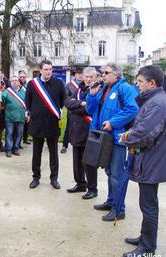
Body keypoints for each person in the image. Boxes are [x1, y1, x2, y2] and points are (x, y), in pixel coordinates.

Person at [120, 65, 166, 257]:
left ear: (152, 83)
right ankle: (145, 238)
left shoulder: (158, 103)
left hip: (152, 159)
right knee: (146, 203)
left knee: (148, 205)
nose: (136, 85)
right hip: (149, 159)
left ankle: (147, 248)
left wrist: (125, 138)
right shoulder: (154, 100)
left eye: (140, 81)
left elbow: (146, 133)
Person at [86, 63, 138, 222]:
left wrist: (113, 123)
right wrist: (92, 95)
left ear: (117, 74)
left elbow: (132, 109)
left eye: (106, 73)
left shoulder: (125, 88)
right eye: (103, 73)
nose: (103, 75)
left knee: (116, 174)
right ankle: (111, 201)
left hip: (116, 138)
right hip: (103, 137)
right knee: (109, 172)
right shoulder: (103, 89)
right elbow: (90, 110)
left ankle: (119, 209)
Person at [26, 60, 66, 190]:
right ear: (40, 70)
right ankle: (35, 177)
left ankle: (54, 178)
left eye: (50, 69)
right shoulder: (32, 84)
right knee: (36, 153)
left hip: (52, 123)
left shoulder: (59, 83)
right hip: (37, 123)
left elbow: (62, 102)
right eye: (46, 69)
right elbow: (28, 102)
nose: (49, 71)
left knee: (53, 153)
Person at [64, 67, 98, 199]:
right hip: (76, 130)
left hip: (88, 130)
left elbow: (91, 109)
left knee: (89, 162)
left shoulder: (97, 90)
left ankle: (92, 188)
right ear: (83, 77)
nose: (89, 79)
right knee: (77, 161)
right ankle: (80, 183)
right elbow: (67, 102)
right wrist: (82, 103)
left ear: (95, 77)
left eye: (91, 77)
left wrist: (77, 106)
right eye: (87, 77)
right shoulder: (78, 89)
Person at [2, 75, 26, 157]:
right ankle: (8, 150)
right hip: (10, 117)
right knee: (9, 134)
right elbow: (2, 103)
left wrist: (28, 114)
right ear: (10, 82)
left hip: (21, 117)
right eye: (12, 80)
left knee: (19, 134)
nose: (14, 81)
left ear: (19, 82)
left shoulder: (23, 92)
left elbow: (27, 104)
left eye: (16, 80)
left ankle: (15, 149)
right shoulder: (6, 92)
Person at [61, 67, 84, 154]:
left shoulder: (85, 85)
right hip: (72, 111)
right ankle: (64, 145)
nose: (80, 76)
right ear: (75, 75)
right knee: (68, 127)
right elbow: (66, 98)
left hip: (82, 111)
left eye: (81, 74)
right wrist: (74, 103)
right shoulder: (69, 85)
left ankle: (78, 143)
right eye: (78, 74)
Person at [19, 70, 31, 145]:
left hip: (27, 106)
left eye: (23, 77)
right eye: (21, 77)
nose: (22, 78)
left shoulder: (28, 85)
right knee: (20, 125)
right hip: (20, 106)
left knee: (27, 124)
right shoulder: (16, 84)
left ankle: (25, 139)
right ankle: (18, 141)